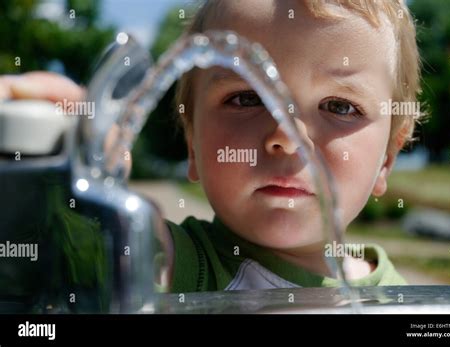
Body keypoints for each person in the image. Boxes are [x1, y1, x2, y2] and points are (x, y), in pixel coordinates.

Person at [1, 0, 423, 293]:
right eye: (245, 98)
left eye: (339, 106)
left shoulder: (403, 301)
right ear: (192, 141)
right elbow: (73, 242)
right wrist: (62, 155)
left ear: (388, 157)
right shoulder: (185, 268)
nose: (286, 136)